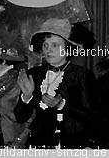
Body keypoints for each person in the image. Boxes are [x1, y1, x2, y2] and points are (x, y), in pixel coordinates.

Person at [14, 18, 94, 148]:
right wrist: (27, 97)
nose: (48, 50)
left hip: (70, 145)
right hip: (37, 146)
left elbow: (90, 115)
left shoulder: (82, 75)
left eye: (55, 45)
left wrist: (61, 104)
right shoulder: (34, 74)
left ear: (68, 49)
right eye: (46, 45)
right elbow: (20, 117)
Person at [0, 34, 28, 147]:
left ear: (3, 61)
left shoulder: (20, 82)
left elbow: (31, 119)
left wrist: (17, 143)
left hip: (12, 149)